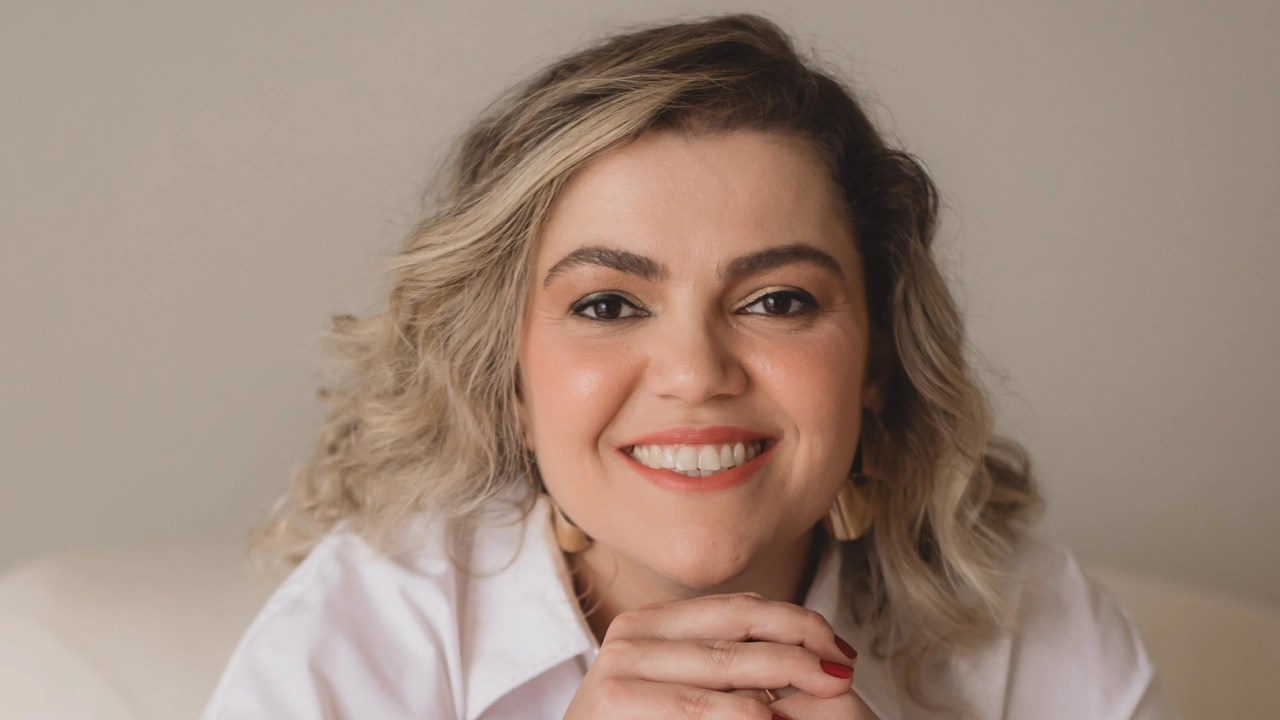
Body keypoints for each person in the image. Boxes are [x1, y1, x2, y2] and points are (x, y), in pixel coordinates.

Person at [200, 13, 1176, 720]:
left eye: (776, 301)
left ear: (875, 359)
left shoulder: (1033, 633)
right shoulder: (365, 633)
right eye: (607, 305)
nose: (693, 371)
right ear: (508, 376)